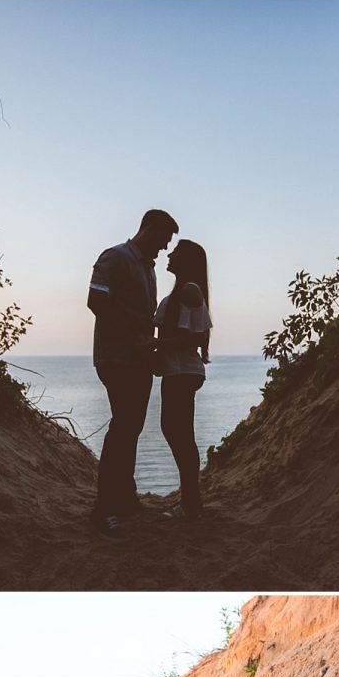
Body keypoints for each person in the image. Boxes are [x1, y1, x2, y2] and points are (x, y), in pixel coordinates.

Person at [87, 208, 178, 537]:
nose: (165, 247)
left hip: (137, 360)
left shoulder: (149, 269)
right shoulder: (116, 258)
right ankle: (103, 508)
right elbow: (96, 300)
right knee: (123, 427)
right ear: (150, 229)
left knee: (131, 428)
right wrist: (135, 337)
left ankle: (124, 498)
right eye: (164, 239)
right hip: (116, 358)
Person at [155, 240, 212, 521]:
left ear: (186, 260)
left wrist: (153, 345)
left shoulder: (189, 290)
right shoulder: (183, 290)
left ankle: (190, 501)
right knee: (177, 432)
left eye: (176, 251)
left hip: (183, 370)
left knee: (179, 434)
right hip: (179, 370)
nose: (170, 254)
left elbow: (195, 337)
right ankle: (191, 499)